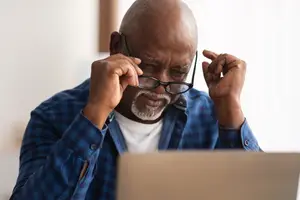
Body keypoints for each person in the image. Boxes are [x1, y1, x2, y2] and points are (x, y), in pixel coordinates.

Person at [10, 0, 261, 199]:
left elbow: (260, 192)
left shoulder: (210, 116)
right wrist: (95, 113)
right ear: (116, 46)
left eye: (178, 72)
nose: (161, 88)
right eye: (149, 67)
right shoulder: (53, 117)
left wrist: (232, 111)